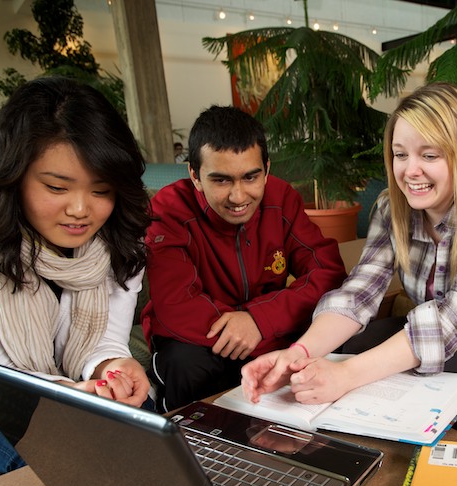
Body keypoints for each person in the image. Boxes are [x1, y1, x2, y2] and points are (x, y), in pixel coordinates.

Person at [241, 82, 457, 422]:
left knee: (362, 370)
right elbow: (358, 293)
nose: (410, 171)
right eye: (400, 154)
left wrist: (347, 375)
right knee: (345, 350)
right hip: (441, 342)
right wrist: (297, 354)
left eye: (429, 155)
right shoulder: (391, 207)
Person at [0, 76, 153, 473]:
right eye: (57, 187)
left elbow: (103, 337)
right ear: (14, 176)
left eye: (101, 191)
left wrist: (112, 368)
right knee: (55, 456)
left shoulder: (119, 244)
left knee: (148, 427)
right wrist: (74, 394)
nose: (81, 210)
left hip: (67, 380)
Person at [142, 105, 347, 413]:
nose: (238, 197)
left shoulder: (281, 198)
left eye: (251, 177)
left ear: (266, 168)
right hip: (198, 339)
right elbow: (175, 303)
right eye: (221, 180)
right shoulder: (168, 210)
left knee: (334, 337)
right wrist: (251, 330)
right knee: (184, 365)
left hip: (268, 329)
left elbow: (327, 271)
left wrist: (259, 321)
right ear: (195, 176)